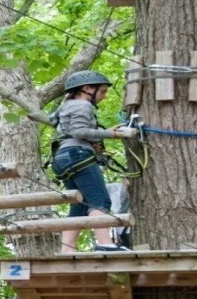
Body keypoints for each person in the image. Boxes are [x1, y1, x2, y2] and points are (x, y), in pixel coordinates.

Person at [50, 70, 138, 252]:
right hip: (78, 155)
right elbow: (79, 132)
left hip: (63, 158)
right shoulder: (83, 106)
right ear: (87, 88)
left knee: (80, 206)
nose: (104, 96)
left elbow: (72, 132)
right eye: (103, 91)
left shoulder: (67, 106)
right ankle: (105, 244)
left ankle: (67, 249)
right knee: (99, 201)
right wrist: (114, 134)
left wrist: (100, 139)